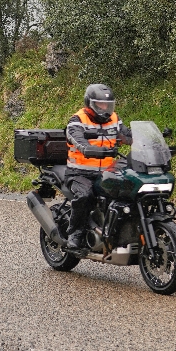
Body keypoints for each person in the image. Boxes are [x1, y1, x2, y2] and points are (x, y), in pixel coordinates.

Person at [65, 83, 132, 248]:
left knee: (127, 191)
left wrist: (149, 141)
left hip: (107, 173)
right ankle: (75, 233)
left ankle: (120, 231)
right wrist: (90, 149)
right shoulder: (77, 120)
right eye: (100, 104)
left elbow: (127, 135)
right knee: (85, 195)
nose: (104, 109)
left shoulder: (114, 119)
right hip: (80, 173)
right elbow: (78, 141)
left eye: (107, 105)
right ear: (89, 104)